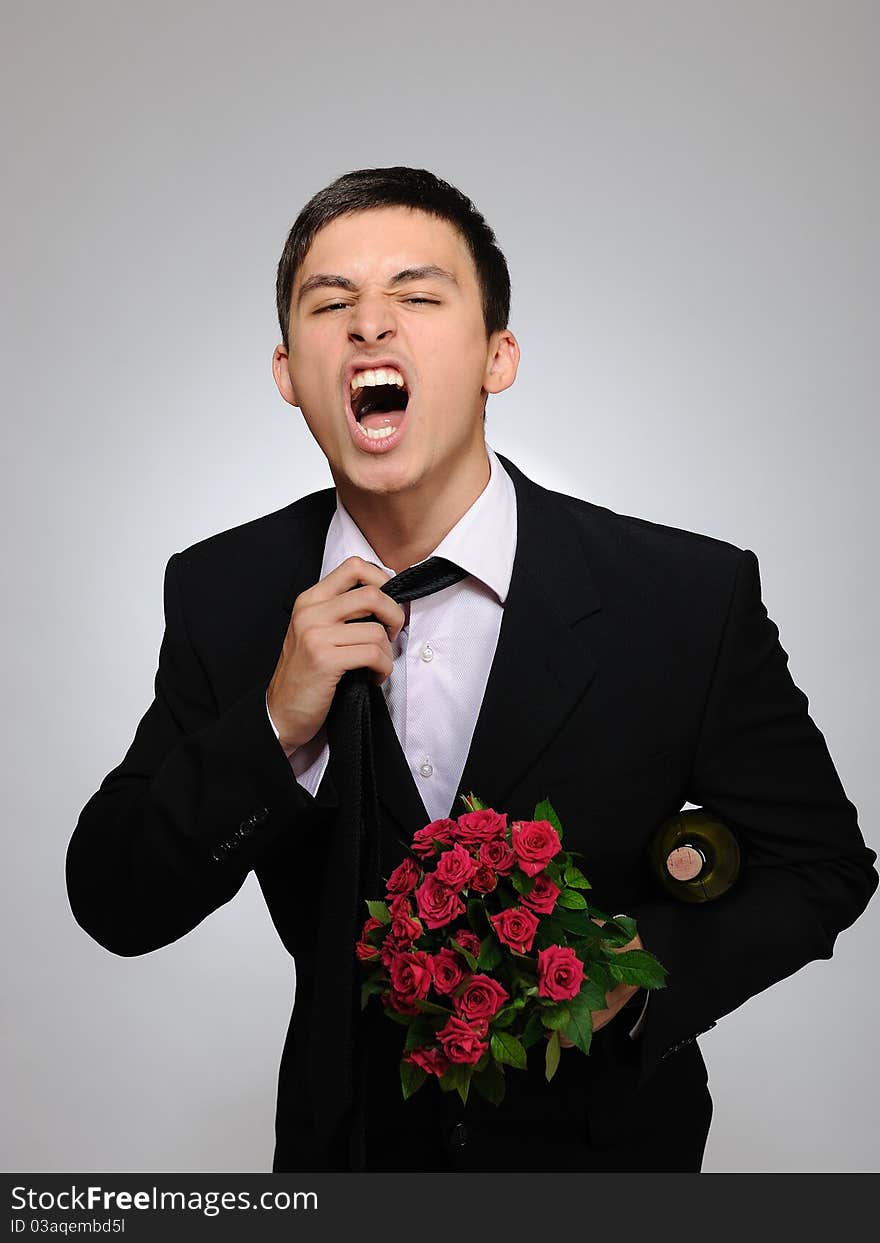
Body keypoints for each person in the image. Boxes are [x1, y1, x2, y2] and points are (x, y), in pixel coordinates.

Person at [66, 166, 878, 1173]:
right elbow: (116, 898)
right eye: (332, 305)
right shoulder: (224, 593)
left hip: (610, 1169)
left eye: (416, 294)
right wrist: (272, 727)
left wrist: (636, 983)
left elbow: (820, 865)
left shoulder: (684, 594)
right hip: (343, 1168)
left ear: (498, 356)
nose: (370, 327)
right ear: (287, 371)